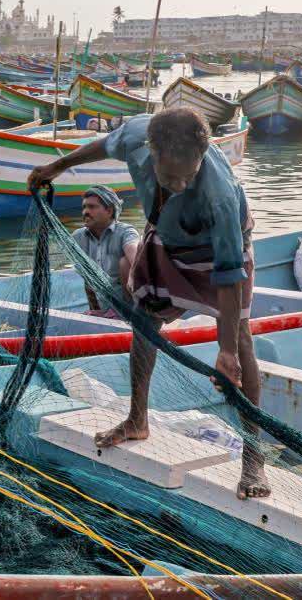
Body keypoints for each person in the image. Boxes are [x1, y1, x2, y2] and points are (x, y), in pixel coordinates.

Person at [28, 108, 268, 500]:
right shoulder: (138, 136)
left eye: (189, 175)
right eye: (171, 176)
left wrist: (223, 352)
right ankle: (136, 419)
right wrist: (58, 165)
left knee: (241, 341)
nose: (181, 183)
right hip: (167, 237)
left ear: (202, 156)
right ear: (151, 153)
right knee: (143, 319)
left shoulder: (219, 195)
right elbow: (105, 145)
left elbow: (228, 277)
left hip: (220, 250)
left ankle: (253, 459)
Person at [72, 185, 140, 317]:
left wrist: (132, 274)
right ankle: (104, 312)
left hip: (134, 306)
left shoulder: (126, 232)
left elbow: (136, 260)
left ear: (109, 211)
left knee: (126, 263)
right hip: (105, 306)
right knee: (87, 268)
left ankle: (127, 313)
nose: (85, 212)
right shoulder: (78, 237)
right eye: (84, 207)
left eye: (91, 207)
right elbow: (88, 280)